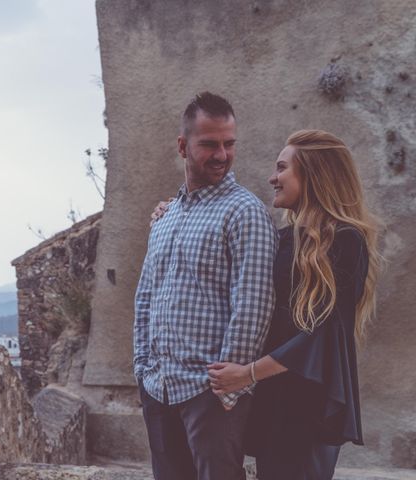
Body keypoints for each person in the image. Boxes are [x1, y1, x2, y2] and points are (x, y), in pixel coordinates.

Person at [205, 129, 381, 479]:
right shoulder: (281, 238)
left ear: (313, 174)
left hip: (308, 402)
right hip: (270, 398)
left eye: (282, 168)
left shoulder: (347, 241)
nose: (273, 178)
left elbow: (322, 334)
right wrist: (173, 211)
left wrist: (247, 374)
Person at [134, 91, 278, 480]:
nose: (222, 154)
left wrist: (226, 390)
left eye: (229, 144)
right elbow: (146, 295)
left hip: (208, 395)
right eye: (209, 144)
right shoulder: (165, 217)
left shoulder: (245, 211)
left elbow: (253, 303)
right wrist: (142, 369)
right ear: (183, 146)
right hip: (158, 387)